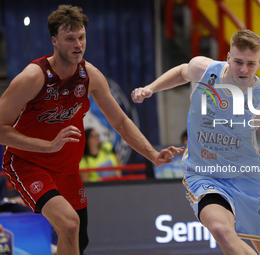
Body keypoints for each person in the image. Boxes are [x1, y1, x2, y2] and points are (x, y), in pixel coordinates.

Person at [0, 5, 183, 255]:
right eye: (70, 39)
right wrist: (48, 145)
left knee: (79, 240)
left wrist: (152, 154)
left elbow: (120, 122)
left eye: (82, 37)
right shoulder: (33, 77)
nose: (78, 44)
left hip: (66, 169)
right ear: (54, 41)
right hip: (28, 164)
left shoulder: (91, 76)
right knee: (69, 223)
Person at [131, 29, 260, 255]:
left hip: (247, 179)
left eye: (251, 64)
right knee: (221, 230)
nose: (243, 69)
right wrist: (151, 88)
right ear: (228, 57)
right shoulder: (204, 69)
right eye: (238, 61)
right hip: (204, 175)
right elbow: (182, 72)